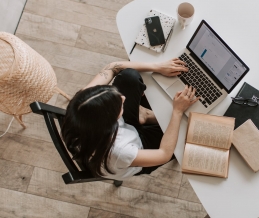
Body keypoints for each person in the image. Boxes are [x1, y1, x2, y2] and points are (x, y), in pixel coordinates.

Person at [61, 58, 199, 180]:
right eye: (118, 104)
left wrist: (157, 66)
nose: (123, 98)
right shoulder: (120, 151)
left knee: (128, 76)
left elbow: (113, 67)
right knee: (189, 131)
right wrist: (177, 111)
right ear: (110, 121)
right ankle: (144, 116)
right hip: (139, 150)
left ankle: (143, 116)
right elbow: (164, 154)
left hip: (119, 132)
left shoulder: (83, 102)